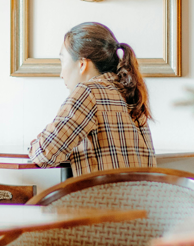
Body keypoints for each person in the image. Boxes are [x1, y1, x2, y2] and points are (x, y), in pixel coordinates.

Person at [29, 22, 156, 175]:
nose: (61, 74)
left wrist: (34, 144)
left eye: (62, 62)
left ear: (82, 64)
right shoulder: (128, 91)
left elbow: (45, 154)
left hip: (101, 197)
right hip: (138, 197)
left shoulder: (87, 92)